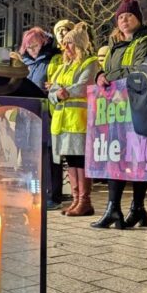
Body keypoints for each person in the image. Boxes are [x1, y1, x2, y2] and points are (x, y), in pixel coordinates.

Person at [92, 0, 147, 229]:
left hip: (138, 108)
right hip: (115, 111)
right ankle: (114, 208)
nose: (124, 20)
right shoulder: (113, 45)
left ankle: (137, 207)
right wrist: (99, 75)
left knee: (136, 157)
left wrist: (107, 76)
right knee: (115, 157)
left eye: (129, 16)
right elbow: (105, 70)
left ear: (139, 19)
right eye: (121, 17)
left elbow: (139, 70)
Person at [48, 23, 99, 217]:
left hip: (78, 120)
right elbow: (52, 89)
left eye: (69, 43)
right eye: (65, 44)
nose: (65, 47)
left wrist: (64, 91)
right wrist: (57, 93)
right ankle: (76, 200)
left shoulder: (90, 62)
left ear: (78, 44)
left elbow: (85, 85)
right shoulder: (63, 66)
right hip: (62, 121)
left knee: (80, 160)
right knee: (70, 161)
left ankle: (84, 201)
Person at [19, 27, 64, 211]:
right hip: (26, 114)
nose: (32, 50)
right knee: (29, 156)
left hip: (46, 112)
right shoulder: (24, 63)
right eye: (28, 47)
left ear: (43, 43)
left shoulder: (53, 59)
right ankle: (33, 193)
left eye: (35, 45)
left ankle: (53, 195)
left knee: (48, 156)